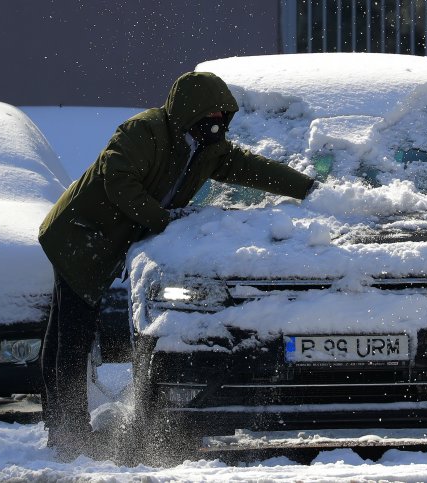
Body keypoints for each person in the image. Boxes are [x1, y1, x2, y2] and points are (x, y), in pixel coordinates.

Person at [37, 71, 316, 459]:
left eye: (224, 112)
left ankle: (62, 424)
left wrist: (308, 189)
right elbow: (117, 179)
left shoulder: (206, 149)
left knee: (67, 332)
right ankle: (68, 431)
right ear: (190, 110)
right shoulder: (143, 131)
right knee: (73, 334)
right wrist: (164, 221)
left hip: (107, 239)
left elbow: (253, 168)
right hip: (80, 235)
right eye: (212, 112)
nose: (218, 119)